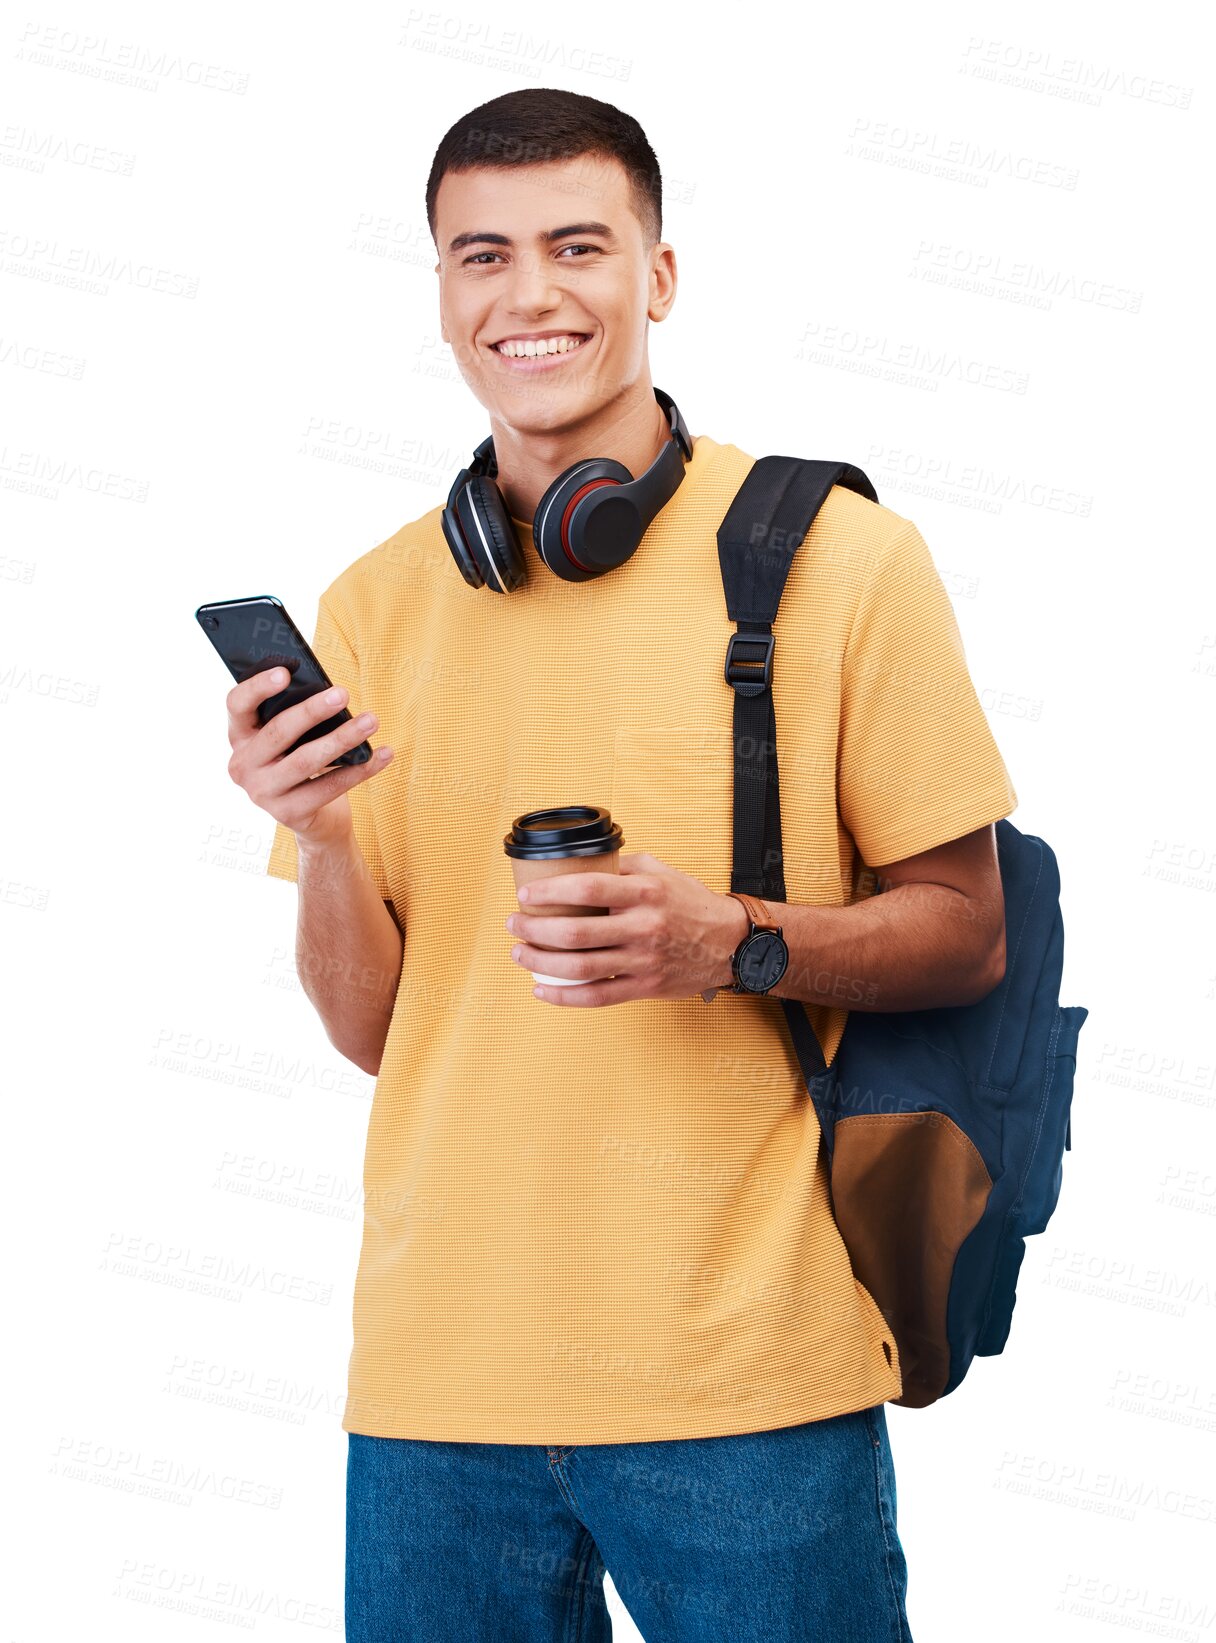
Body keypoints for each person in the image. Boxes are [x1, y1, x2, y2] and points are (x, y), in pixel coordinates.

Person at [226, 86, 1016, 1643]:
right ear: (443, 293)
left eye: (578, 247)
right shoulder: (377, 601)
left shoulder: (843, 562)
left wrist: (725, 940)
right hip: (432, 1389)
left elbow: (966, 931)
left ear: (658, 275)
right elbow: (380, 1029)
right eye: (481, 257)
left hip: (746, 1379)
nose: (529, 297)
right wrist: (320, 838)